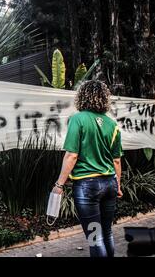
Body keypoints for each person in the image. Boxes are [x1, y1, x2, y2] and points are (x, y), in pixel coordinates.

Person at [52, 80, 123, 257]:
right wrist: (118, 185)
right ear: (104, 98)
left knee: (94, 238)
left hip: (87, 187)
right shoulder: (113, 125)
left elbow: (71, 155)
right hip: (110, 184)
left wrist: (59, 184)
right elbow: (116, 161)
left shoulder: (78, 119)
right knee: (106, 233)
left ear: (83, 96)